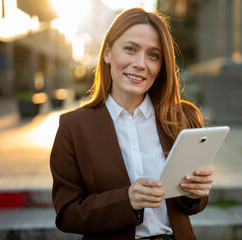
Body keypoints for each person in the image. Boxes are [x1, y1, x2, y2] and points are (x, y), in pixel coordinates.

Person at [50, 7, 213, 240]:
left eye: (153, 55)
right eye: (130, 49)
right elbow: (67, 214)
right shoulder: (73, 127)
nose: (140, 63)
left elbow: (193, 205)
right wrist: (126, 201)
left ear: (161, 66)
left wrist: (195, 193)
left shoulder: (183, 118)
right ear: (107, 53)